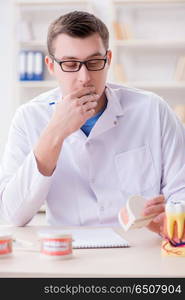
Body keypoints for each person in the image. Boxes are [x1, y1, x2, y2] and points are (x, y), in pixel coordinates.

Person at [0, 11, 185, 240]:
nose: (85, 77)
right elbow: (13, 214)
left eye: (94, 62)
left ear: (108, 59)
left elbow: (181, 191)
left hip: (143, 249)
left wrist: (170, 218)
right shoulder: (29, 117)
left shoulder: (153, 110)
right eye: (70, 64)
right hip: (69, 251)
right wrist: (55, 132)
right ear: (51, 65)